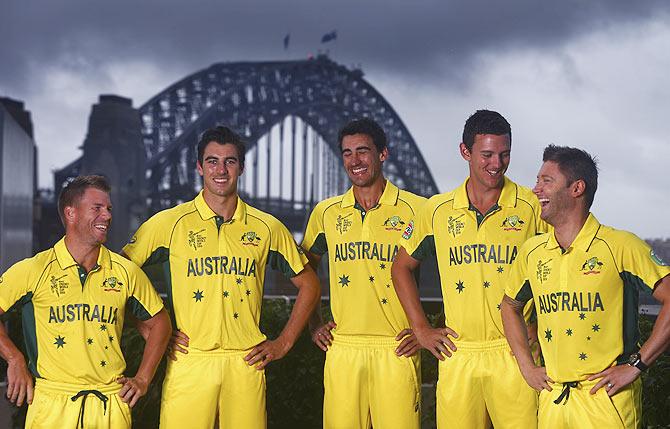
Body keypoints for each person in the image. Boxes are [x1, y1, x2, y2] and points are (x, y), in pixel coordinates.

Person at [123, 126, 320, 429]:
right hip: (190, 360)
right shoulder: (168, 224)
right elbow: (116, 276)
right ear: (199, 167)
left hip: (246, 363)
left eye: (230, 161)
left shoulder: (266, 227)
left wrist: (282, 344)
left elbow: (309, 284)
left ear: (241, 167)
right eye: (212, 161)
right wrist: (149, 328)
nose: (221, 170)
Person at [392, 110, 545, 428]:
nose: (496, 164)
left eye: (504, 155)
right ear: (465, 151)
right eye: (487, 154)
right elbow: (401, 268)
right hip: (459, 353)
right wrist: (421, 329)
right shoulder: (436, 210)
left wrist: (544, 329)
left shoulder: (532, 207)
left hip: (516, 353)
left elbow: (558, 269)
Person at [501, 145, 670, 428]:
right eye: (537, 180)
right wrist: (526, 367)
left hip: (605, 399)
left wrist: (636, 366)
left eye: (546, 180)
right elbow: (509, 306)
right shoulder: (532, 252)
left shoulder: (620, 246)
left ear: (577, 188)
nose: (535, 189)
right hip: (554, 398)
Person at [0, 175, 171, 428]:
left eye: (109, 208)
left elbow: (160, 323)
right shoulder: (33, 270)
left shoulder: (126, 272)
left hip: (109, 404)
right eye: (97, 208)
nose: (108, 216)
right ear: (71, 213)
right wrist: (14, 358)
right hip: (51, 405)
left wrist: (143, 379)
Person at [301, 118, 426, 429]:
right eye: (346, 153)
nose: (354, 161)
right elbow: (305, 272)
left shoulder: (418, 210)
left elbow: (457, 272)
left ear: (382, 154)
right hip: (343, 349)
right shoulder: (326, 213)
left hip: (396, 347)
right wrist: (314, 323)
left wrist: (424, 331)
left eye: (362, 151)